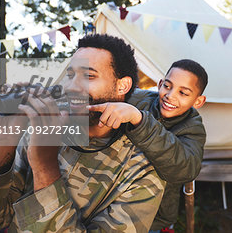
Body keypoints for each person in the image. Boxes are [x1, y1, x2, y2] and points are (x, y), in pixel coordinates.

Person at [0, 34, 166, 232]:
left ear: (122, 85)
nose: (70, 87)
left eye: (89, 76)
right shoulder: (39, 134)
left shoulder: (143, 169)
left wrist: (45, 167)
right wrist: (3, 143)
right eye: (70, 75)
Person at [88, 59, 208, 231]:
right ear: (160, 84)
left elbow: (186, 168)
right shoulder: (135, 98)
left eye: (183, 93)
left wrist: (140, 121)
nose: (171, 95)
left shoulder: (193, 129)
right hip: (101, 201)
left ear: (198, 101)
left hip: (150, 218)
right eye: (167, 86)